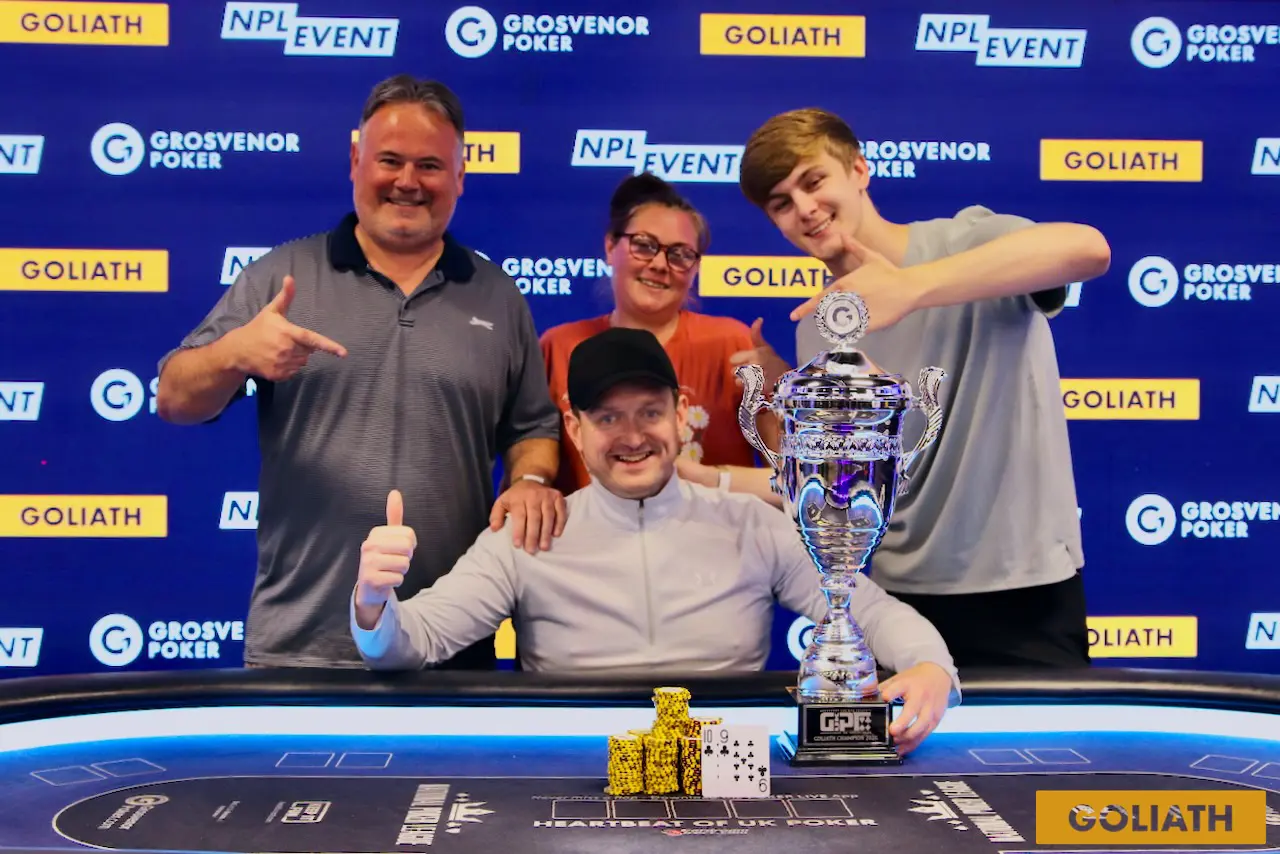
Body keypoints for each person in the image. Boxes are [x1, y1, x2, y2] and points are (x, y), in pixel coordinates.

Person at [351, 326, 961, 756]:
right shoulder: (530, 531)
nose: (632, 436)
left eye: (649, 412)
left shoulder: (751, 523)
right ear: (574, 428)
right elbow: (414, 642)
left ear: (679, 415)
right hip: (572, 767)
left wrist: (933, 669)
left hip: (727, 763)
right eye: (607, 418)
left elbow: (871, 611)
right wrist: (374, 602)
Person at [154, 74, 565, 670]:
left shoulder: (498, 296)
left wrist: (528, 480)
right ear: (355, 162)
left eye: (429, 165)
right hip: (302, 651)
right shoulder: (282, 278)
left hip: (449, 649)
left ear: (460, 176)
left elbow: (534, 428)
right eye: (389, 160)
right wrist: (234, 353)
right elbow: (173, 397)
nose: (407, 181)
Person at [681, 107, 1111, 671]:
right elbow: (845, 478)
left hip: (1023, 588)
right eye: (781, 203)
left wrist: (911, 288)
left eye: (814, 180)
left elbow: (1088, 249)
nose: (804, 208)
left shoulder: (963, 240)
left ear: (859, 170)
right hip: (897, 601)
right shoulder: (820, 326)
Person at [538, 173, 785, 496]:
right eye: (643, 245)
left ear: (695, 268)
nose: (659, 264)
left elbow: (792, 480)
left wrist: (782, 393)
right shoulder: (559, 347)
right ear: (610, 247)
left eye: (680, 254)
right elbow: (531, 469)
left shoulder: (732, 347)